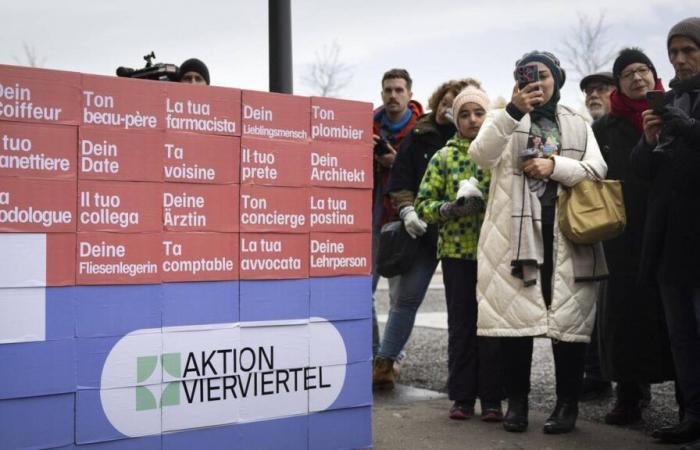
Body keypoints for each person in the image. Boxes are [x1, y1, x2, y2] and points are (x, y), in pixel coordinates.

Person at [468, 51, 608, 434]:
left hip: (567, 233)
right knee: (518, 321)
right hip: (514, 235)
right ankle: (519, 404)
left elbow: (598, 168)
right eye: (526, 75)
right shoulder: (503, 118)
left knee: (569, 323)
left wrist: (555, 167)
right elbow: (479, 156)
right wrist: (512, 112)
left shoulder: (577, 121)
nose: (536, 82)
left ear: (557, 79)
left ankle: (567, 406)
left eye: (543, 75)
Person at [372, 78, 477, 391]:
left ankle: (466, 376)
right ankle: (385, 363)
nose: (451, 108)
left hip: (468, 234)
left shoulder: (482, 137)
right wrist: (407, 211)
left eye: (457, 104)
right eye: (446, 102)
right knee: (407, 298)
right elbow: (400, 180)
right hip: (424, 230)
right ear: (438, 102)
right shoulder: (420, 135)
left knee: (464, 308)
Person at [593, 48, 675, 426]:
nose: (638, 77)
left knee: (674, 316)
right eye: (628, 73)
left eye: (644, 69)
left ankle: (688, 401)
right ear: (619, 83)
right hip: (623, 232)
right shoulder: (604, 129)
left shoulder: (678, 111)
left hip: (673, 228)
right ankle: (629, 395)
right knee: (624, 315)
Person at [631, 17, 700, 449]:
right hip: (670, 241)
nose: (679, 59)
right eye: (673, 52)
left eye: (689, 50)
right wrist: (647, 140)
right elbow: (643, 173)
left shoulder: (678, 109)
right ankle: (691, 415)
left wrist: (683, 125)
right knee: (682, 337)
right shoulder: (670, 99)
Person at [415, 85, 502, 421]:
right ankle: (463, 398)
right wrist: (450, 208)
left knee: (492, 328)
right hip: (455, 254)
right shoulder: (444, 157)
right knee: (462, 326)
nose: (472, 120)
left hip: (494, 253)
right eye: (464, 114)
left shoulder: (498, 154)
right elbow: (423, 204)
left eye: (478, 112)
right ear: (455, 119)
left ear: (488, 116)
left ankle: (493, 399)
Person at [371, 69, 423, 356]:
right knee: (360, 292)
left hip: (401, 219)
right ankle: (373, 352)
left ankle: (392, 357)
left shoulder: (420, 130)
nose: (393, 95)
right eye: (388, 90)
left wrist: (395, 163)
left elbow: (425, 177)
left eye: (399, 90)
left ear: (409, 94)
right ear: (381, 94)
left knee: (397, 295)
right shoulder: (366, 127)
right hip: (368, 218)